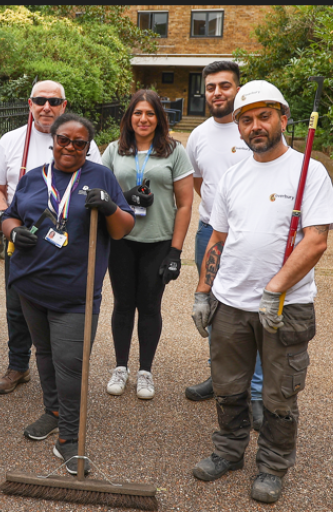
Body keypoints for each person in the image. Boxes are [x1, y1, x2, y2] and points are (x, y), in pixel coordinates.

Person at [190, 80, 333, 503]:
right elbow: (217, 238)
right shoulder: (234, 175)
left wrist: (275, 289)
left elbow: (316, 240)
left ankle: (273, 465)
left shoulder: (308, 169)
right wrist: (204, 291)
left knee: (278, 394)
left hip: (285, 307)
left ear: (283, 118)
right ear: (238, 127)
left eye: (264, 115)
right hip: (230, 304)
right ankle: (228, 452)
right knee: (228, 386)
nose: (256, 125)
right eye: (246, 119)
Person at [2, 113, 134, 475]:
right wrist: (13, 232)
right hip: (30, 285)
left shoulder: (100, 176)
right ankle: (54, 411)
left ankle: (69, 439)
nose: (70, 147)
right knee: (43, 353)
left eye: (79, 143)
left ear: (88, 146)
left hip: (76, 293)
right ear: (53, 139)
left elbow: (123, 229)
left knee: (72, 365)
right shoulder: (33, 178)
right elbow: (10, 215)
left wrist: (108, 206)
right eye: (64, 140)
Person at [0, 80, 103, 395]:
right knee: (17, 307)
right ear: (30, 104)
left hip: (68, 246)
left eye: (54, 101)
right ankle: (18, 366)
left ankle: (58, 371)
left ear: (64, 106)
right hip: (22, 239)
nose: (46, 107)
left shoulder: (81, 140)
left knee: (61, 312)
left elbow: (99, 188)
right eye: (40, 100)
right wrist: (4, 224)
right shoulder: (10, 141)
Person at [184, 61, 266, 430]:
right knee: (214, 308)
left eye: (225, 86)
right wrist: (221, 216)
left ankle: (259, 391)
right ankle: (220, 377)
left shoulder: (251, 129)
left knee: (258, 309)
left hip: (254, 236)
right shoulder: (198, 135)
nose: (217, 92)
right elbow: (202, 184)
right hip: (210, 232)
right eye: (211, 87)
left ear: (237, 89)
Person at [102, 89, 194, 400]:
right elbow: (101, 193)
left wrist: (175, 252)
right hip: (122, 240)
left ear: (159, 118)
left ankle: (145, 371)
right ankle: (120, 367)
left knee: (150, 306)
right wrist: (124, 198)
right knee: (123, 305)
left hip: (158, 241)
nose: (143, 119)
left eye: (150, 113)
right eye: (138, 113)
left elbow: (184, 204)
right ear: (129, 117)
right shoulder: (115, 150)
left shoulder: (174, 152)